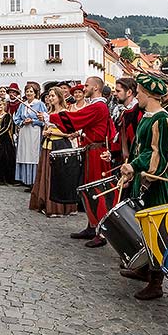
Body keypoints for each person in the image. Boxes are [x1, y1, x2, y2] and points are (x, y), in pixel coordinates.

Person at [118, 73, 168, 300]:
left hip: (154, 183)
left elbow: (158, 155)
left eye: (140, 92)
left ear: (150, 94)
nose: (137, 95)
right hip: (141, 178)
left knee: (156, 231)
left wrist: (136, 165)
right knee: (142, 227)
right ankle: (143, 268)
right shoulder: (147, 116)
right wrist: (130, 166)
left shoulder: (161, 119)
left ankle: (156, 281)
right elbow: (139, 148)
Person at [42, 76, 114, 245]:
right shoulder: (98, 106)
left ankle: (101, 232)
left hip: (97, 153)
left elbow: (77, 118)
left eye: (87, 85)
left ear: (96, 88)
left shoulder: (98, 106)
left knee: (97, 190)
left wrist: (50, 118)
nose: (84, 87)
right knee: (89, 189)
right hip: (91, 150)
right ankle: (92, 225)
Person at [30, 86, 79, 216]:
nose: (50, 98)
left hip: (60, 145)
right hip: (48, 145)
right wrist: (46, 132)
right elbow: (46, 127)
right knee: (46, 175)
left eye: (53, 96)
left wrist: (53, 131)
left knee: (58, 176)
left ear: (59, 97)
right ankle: (45, 202)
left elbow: (70, 133)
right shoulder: (49, 112)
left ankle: (59, 207)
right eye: (49, 96)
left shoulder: (65, 112)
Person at [14, 83, 47, 187]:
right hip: (24, 132)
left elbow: (45, 119)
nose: (29, 93)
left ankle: (34, 181)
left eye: (31, 91)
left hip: (34, 132)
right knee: (24, 153)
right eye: (27, 91)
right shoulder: (22, 104)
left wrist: (33, 120)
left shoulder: (40, 104)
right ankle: (24, 179)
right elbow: (17, 118)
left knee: (33, 154)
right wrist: (23, 122)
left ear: (35, 93)